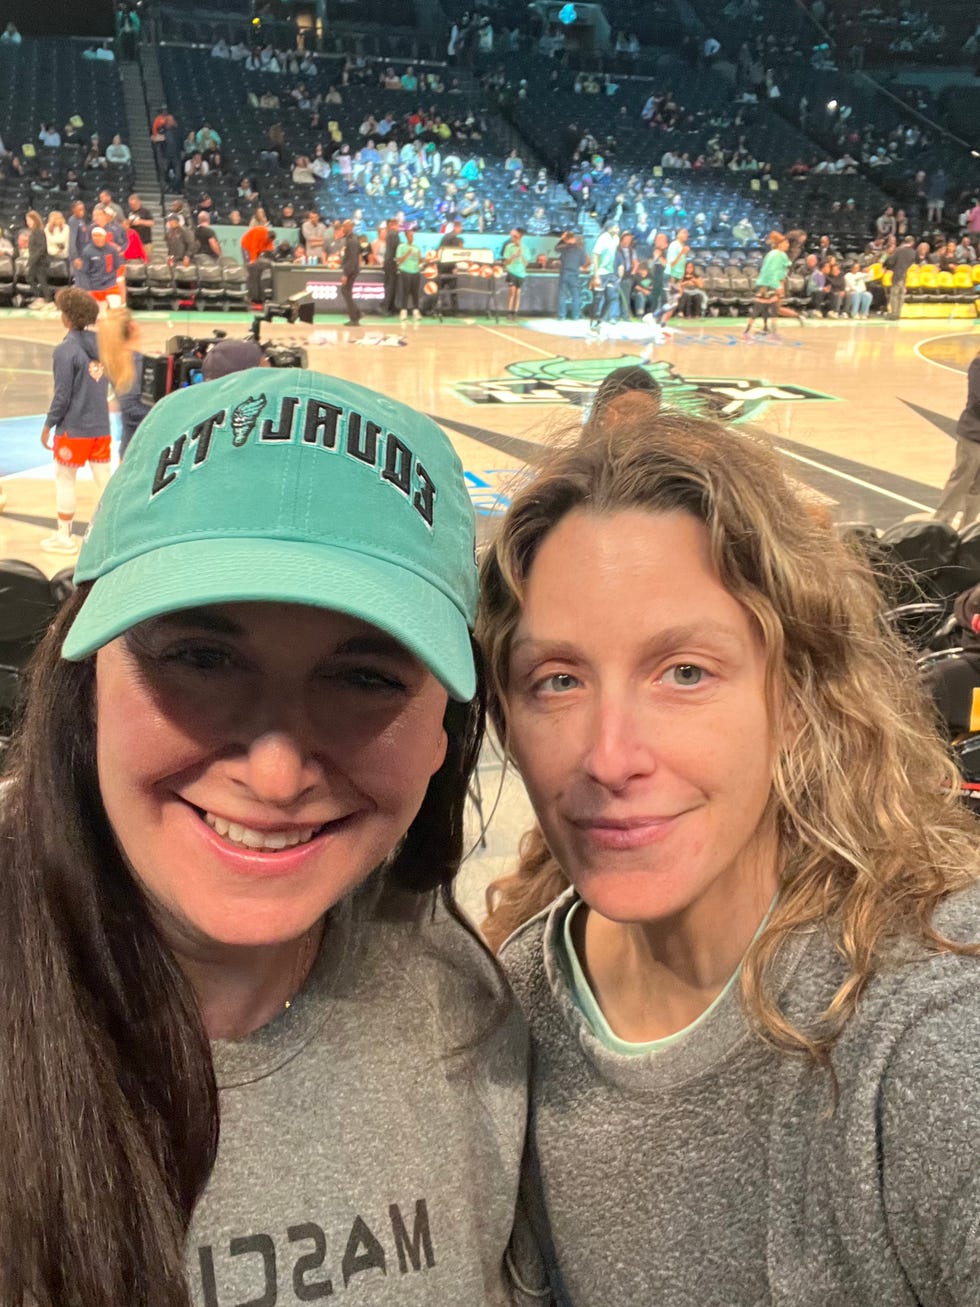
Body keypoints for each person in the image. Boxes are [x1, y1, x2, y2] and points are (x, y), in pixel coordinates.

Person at [1, 365, 531, 1305]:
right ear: (86, 681)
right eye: (203, 659)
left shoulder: (464, 1007)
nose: (278, 772)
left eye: (364, 676)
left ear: (445, 729)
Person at [477, 408, 980, 1305]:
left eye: (684, 673)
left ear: (797, 698)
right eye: (558, 679)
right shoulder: (520, 1002)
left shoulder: (927, 1017)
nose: (609, 754)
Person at [39, 287, 112, 554]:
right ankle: (113, 532)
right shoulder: (101, 346)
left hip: (73, 428)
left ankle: (64, 537)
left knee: (65, 478)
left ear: (68, 317)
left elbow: (62, 395)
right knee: (104, 480)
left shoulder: (65, 350)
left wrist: (48, 424)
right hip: (101, 427)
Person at [934, 347, 980, 528]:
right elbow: (978, 401)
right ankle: (940, 525)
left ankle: (968, 528)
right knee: (961, 481)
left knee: (978, 487)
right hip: (973, 433)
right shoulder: (978, 364)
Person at [97, 306, 151, 459]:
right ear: (132, 326)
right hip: (145, 454)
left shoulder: (116, 364)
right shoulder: (142, 365)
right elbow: (136, 410)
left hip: (128, 451)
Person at [73, 225, 124, 307]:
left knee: (116, 309)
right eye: (94, 236)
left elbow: (118, 268)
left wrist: (122, 290)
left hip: (111, 285)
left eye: (99, 235)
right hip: (95, 287)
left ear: (105, 236)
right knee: (99, 315)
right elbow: (85, 272)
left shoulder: (112, 250)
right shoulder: (87, 251)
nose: (97, 238)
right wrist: (87, 290)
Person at [554, 230, 589, 323]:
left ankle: (562, 316)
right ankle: (576, 316)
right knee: (575, 296)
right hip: (574, 274)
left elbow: (556, 248)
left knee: (562, 295)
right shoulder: (580, 250)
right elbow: (583, 262)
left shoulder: (564, 248)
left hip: (564, 273)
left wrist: (562, 239)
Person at [25, 209, 52, 308]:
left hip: (40, 261)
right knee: (30, 278)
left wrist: (32, 260)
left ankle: (48, 301)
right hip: (34, 260)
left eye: (29, 220)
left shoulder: (39, 232)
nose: (27, 222)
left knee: (41, 280)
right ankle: (40, 298)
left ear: (34, 220)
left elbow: (41, 248)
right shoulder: (33, 232)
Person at [396, 226, 422, 322]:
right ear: (406, 236)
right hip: (405, 271)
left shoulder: (416, 247)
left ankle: (416, 311)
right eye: (410, 236)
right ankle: (403, 311)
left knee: (415, 293)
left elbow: (419, 262)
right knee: (405, 292)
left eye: (413, 236)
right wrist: (407, 254)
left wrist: (420, 258)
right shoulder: (401, 247)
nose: (412, 237)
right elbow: (399, 261)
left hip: (415, 272)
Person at [339, 217, 362, 325]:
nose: (342, 228)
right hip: (353, 269)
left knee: (345, 291)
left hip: (351, 270)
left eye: (344, 226)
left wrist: (345, 274)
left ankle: (355, 317)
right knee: (346, 292)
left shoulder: (352, 240)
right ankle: (356, 314)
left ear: (349, 227)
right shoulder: (352, 238)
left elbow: (352, 258)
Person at [502, 227, 527, 319]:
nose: (513, 238)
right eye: (513, 236)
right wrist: (513, 257)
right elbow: (506, 262)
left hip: (521, 273)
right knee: (512, 291)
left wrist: (521, 256)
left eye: (516, 237)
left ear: (520, 237)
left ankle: (515, 312)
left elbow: (526, 263)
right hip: (512, 271)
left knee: (518, 292)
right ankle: (509, 311)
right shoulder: (508, 247)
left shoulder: (524, 248)